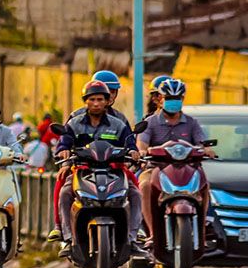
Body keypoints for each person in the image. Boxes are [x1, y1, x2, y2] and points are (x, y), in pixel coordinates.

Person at [54, 80, 144, 257]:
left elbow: (130, 143)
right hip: (82, 169)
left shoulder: (118, 124)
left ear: (107, 101)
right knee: (65, 193)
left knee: (135, 194)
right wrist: (63, 151)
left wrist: (134, 151)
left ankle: (132, 238)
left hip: (114, 170)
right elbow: (63, 143)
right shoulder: (74, 123)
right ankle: (67, 238)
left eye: (100, 99)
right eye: (92, 99)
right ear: (85, 101)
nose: (96, 103)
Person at [136, 78, 213, 245]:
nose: (173, 102)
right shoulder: (150, 122)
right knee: (144, 186)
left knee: (205, 184)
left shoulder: (192, 123)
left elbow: (201, 143)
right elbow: (142, 143)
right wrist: (142, 151)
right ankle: (152, 233)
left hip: (186, 170)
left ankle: (202, 230)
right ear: (160, 99)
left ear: (183, 99)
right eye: (169, 98)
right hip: (156, 169)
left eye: (177, 98)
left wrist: (206, 150)